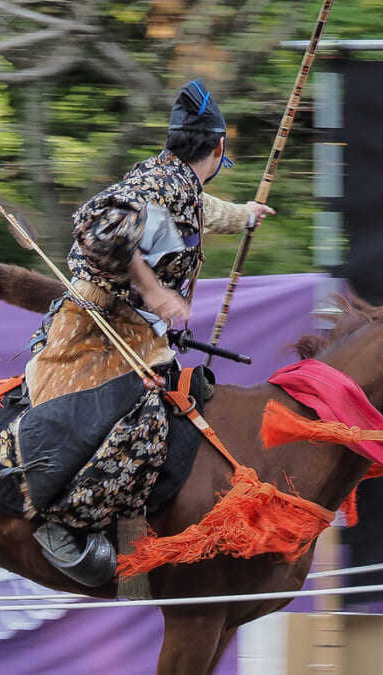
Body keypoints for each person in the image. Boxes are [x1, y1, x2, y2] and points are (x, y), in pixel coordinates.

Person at [22, 79, 274, 584]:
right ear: (218, 148)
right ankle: (63, 522)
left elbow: (197, 212)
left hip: (134, 332)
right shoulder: (160, 185)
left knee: (186, 405)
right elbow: (100, 227)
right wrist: (155, 290)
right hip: (94, 332)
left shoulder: (173, 182)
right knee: (146, 420)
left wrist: (245, 215)